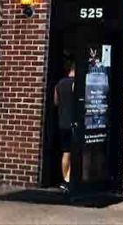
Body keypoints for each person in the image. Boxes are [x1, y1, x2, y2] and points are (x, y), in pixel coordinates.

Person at [53, 59, 75, 189]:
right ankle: (68, 180)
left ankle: (65, 179)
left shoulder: (59, 84)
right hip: (73, 123)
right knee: (76, 152)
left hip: (62, 123)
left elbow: (56, 102)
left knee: (66, 152)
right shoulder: (75, 84)